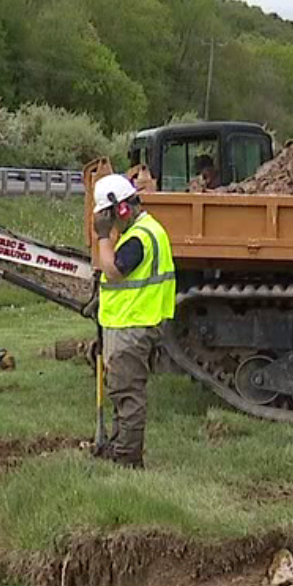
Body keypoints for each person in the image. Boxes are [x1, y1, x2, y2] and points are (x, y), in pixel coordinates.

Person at [91, 172, 177, 469]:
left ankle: (128, 459)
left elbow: (114, 270)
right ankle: (119, 445)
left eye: (109, 217)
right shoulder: (144, 231)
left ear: (121, 209)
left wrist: (103, 237)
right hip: (133, 319)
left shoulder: (139, 238)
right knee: (121, 388)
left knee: (128, 392)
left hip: (134, 324)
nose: (110, 224)